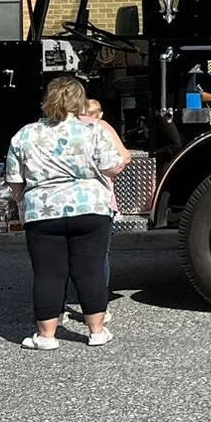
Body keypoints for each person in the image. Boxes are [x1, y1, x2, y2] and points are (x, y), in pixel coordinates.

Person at [6, 76, 127, 349]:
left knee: (48, 272)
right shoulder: (93, 130)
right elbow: (114, 166)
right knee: (90, 270)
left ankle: (46, 336)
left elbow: (15, 178)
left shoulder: (25, 134)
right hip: (90, 208)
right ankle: (96, 331)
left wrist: (22, 199)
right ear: (78, 101)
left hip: (43, 210)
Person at [62, 97, 129, 333]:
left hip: (54, 203)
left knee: (59, 257)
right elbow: (124, 157)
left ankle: (57, 309)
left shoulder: (45, 128)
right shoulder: (100, 128)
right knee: (98, 257)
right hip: (96, 201)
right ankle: (98, 310)